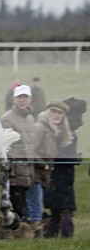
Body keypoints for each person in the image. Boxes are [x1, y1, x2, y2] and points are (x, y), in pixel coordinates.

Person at [44, 98, 85, 238]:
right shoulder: (56, 132)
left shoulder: (66, 133)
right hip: (57, 174)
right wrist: (75, 158)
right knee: (64, 210)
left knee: (57, 210)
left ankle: (52, 236)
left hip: (61, 174)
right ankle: (65, 237)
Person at [32, 99, 73, 236]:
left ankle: (51, 235)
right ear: (47, 113)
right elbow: (32, 150)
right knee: (38, 207)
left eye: (59, 113)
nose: (56, 115)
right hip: (39, 174)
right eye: (53, 112)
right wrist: (44, 165)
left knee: (56, 207)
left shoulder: (62, 131)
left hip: (54, 175)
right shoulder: (40, 127)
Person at [0, 84, 37, 220]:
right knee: (18, 208)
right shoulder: (7, 119)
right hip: (15, 171)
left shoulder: (30, 118)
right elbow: (5, 147)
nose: (22, 100)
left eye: (25, 97)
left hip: (29, 170)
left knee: (28, 207)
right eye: (19, 97)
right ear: (14, 99)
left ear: (30, 99)